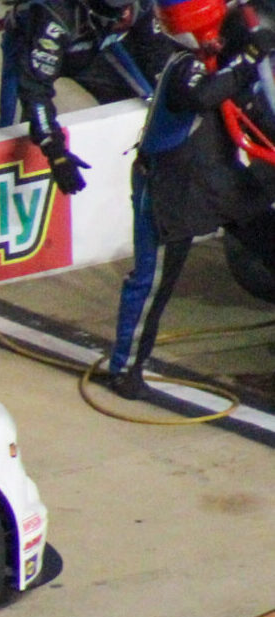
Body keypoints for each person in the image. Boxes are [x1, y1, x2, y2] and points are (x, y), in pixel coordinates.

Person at [105, 0, 275, 398]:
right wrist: (248, 60)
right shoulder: (185, 65)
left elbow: (257, 116)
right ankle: (124, 370)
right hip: (169, 187)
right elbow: (201, 97)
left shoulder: (227, 64)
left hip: (218, 179)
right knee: (152, 282)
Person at [0, 0, 176, 195]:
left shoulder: (142, 5)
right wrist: (56, 153)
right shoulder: (55, 16)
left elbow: (156, 54)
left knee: (146, 101)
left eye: (127, 6)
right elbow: (35, 89)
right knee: (11, 134)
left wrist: (172, 97)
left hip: (94, 47)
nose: (125, 15)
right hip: (31, 44)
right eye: (117, 11)